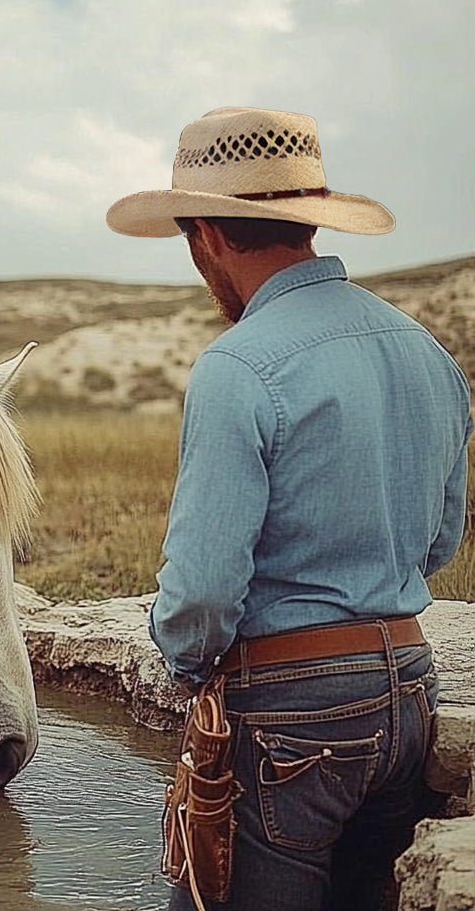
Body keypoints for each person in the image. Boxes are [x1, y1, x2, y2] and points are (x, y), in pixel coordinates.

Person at [106, 107, 472, 911]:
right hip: (409, 689)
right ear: (307, 221)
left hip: (287, 715)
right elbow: (439, 541)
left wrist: (185, 660)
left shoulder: (236, 366)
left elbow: (201, 594)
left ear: (204, 235)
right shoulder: (426, 352)